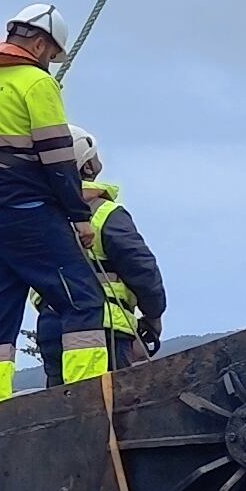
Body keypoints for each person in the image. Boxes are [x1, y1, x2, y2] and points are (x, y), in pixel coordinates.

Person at [0, 0, 109, 400]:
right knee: (84, 301)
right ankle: (85, 396)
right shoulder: (37, 83)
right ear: (41, 46)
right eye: (53, 57)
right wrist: (80, 217)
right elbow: (58, 157)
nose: (52, 64)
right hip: (30, 212)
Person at [73, 134, 166, 366]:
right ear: (88, 166)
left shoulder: (39, 220)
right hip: (106, 330)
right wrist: (153, 315)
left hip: (52, 330)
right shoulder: (104, 213)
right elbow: (142, 269)